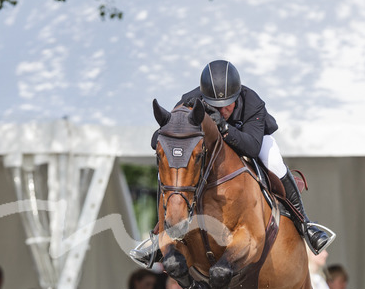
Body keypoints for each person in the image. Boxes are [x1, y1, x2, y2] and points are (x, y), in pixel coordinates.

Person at [130, 60, 335, 268]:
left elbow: (253, 148)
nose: (223, 109)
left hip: (251, 140)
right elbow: (161, 137)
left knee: (273, 160)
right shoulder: (191, 100)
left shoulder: (253, 102)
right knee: (170, 171)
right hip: (212, 152)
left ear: (238, 95)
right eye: (216, 105)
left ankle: (305, 224)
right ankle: (158, 236)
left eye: (228, 103)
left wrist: (224, 127)